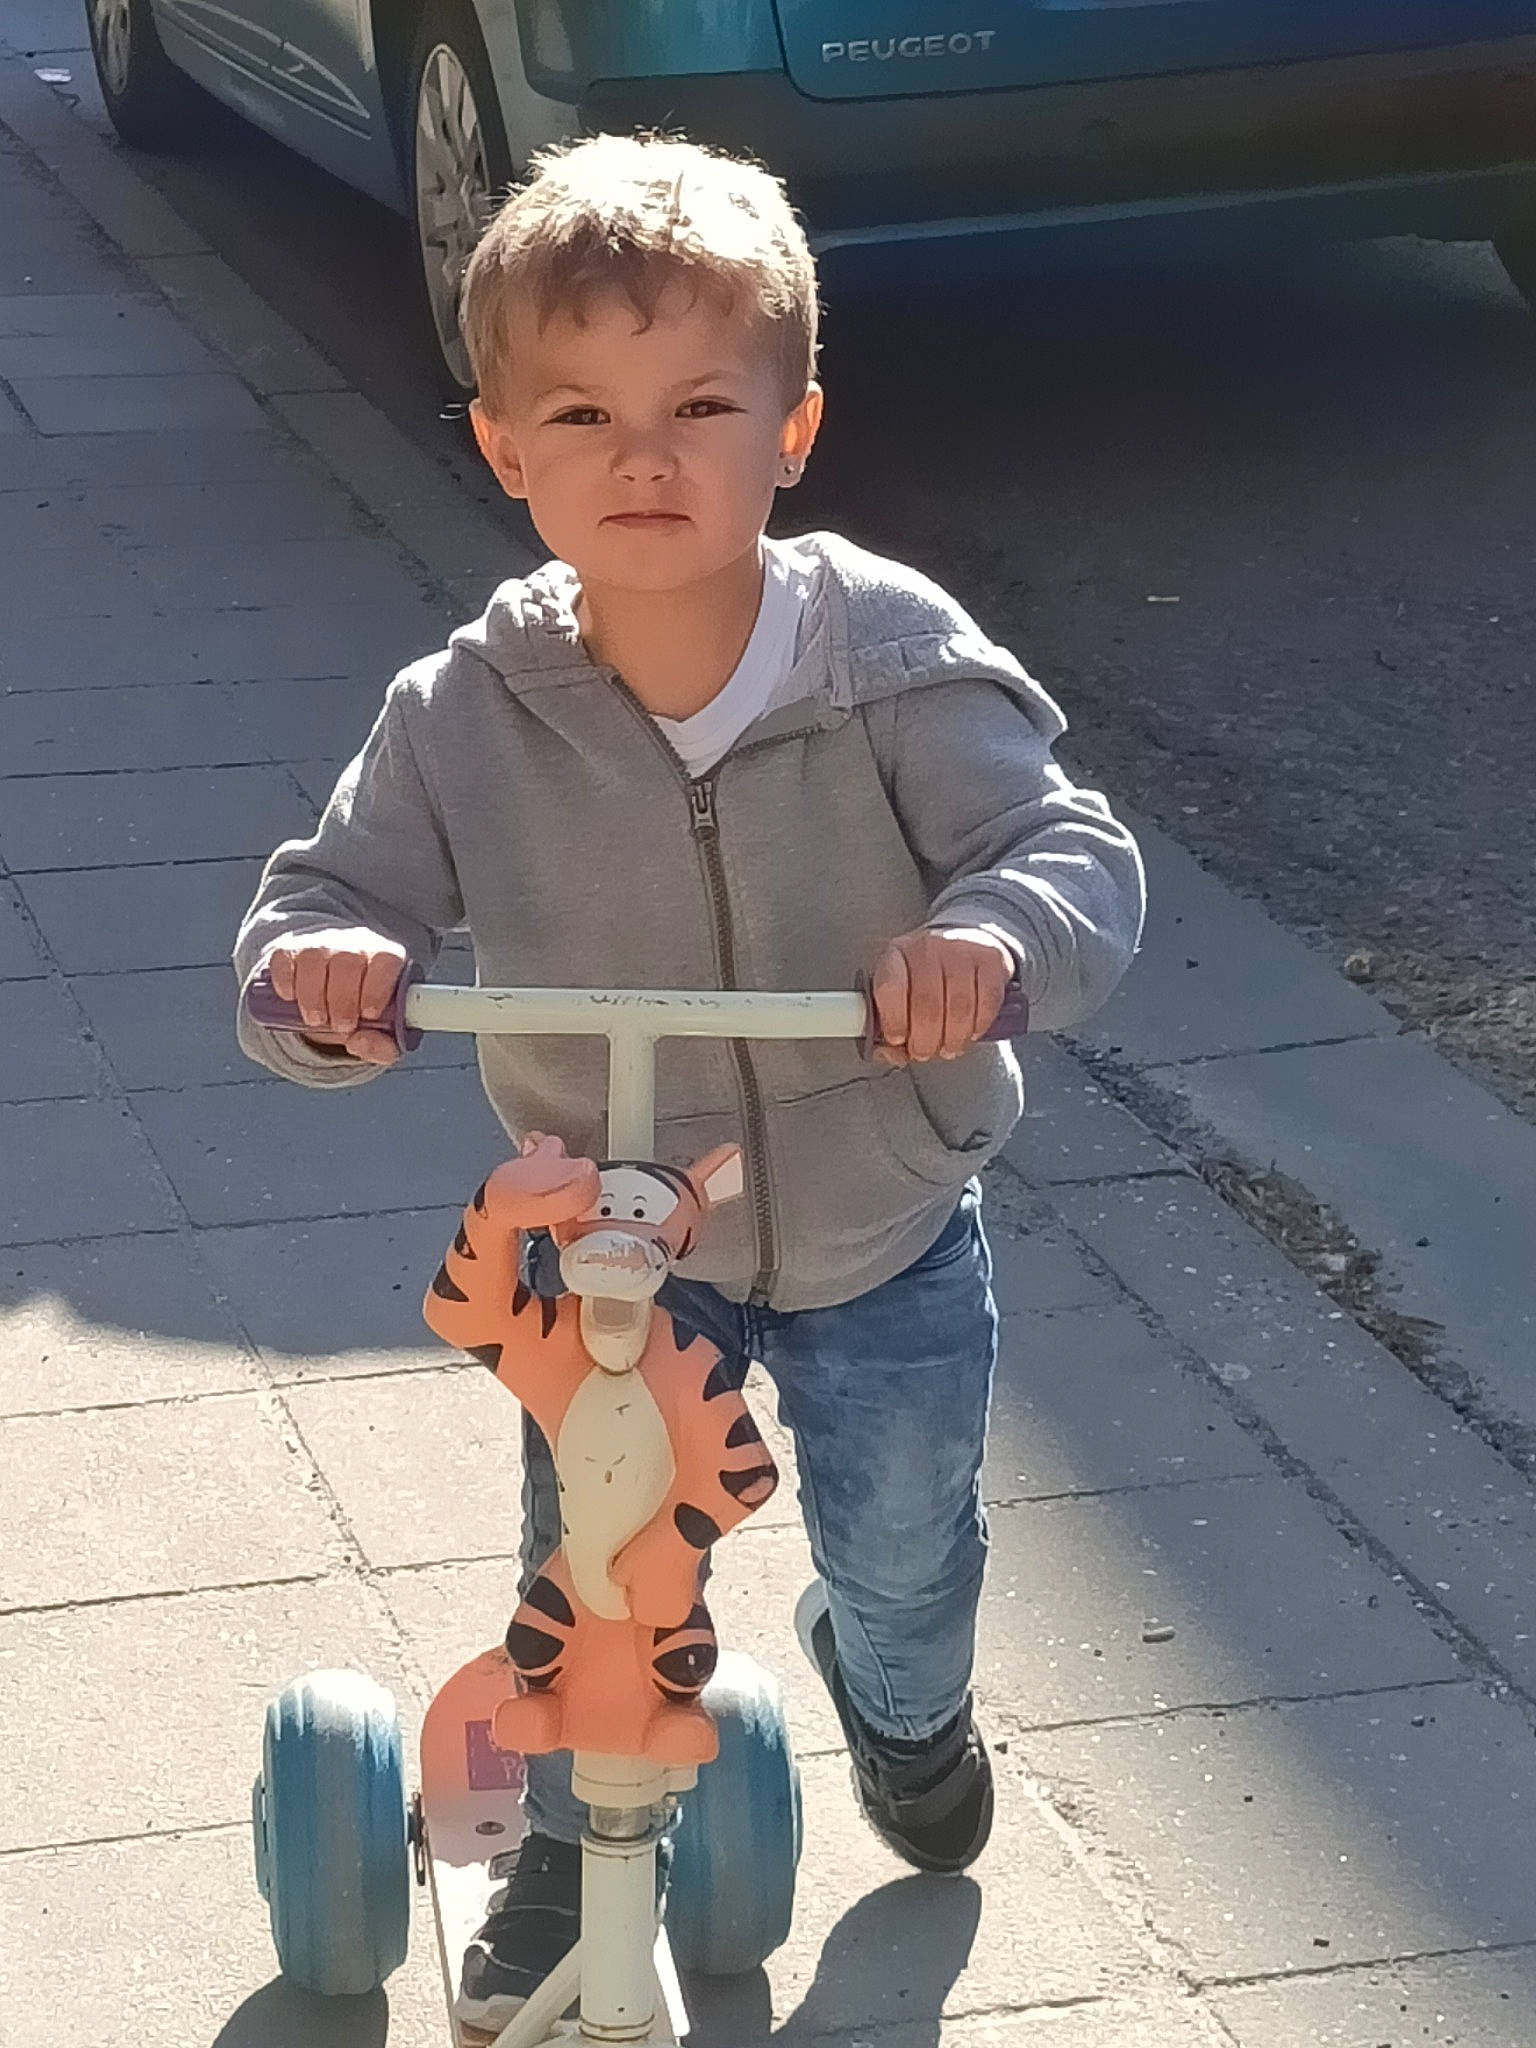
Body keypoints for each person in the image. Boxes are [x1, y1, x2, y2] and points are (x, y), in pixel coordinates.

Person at [233, 132, 1145, 2032]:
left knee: (905, 1543)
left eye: (701, 404)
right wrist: (324, 983)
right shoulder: (464, 711)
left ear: (794, 429)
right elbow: (324, 905)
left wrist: (984, 946)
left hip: (884, 1214)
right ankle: (566, 1849)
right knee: (594, 1549)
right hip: (627, 1231)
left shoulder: (885, 659)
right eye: (581, 412)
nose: (643, 456)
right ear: (502, 448)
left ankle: (899, 1700)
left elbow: (1068, 853)